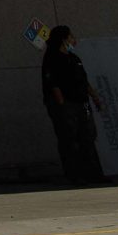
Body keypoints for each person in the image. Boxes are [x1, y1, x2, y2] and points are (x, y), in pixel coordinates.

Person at [39, 25, 104, 184]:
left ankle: (93, 173)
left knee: (88, 137)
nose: (73, 40)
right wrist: (61, 104)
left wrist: (94, 97)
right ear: (63, 39)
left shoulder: (74, 58)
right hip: (66, 104)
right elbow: (53, 83)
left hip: (82, 102)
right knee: (69, 138)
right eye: (71, 37)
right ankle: (75, 175)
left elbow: (84, 80)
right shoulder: (52, 58)